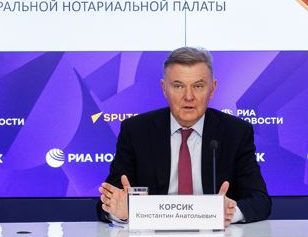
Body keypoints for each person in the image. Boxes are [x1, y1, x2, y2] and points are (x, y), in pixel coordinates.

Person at [97, 47, 271, 225]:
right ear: (164, 89)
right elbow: (109, 201)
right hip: (152, 236)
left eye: (198, 86)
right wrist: (122, 212)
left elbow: (260, 201)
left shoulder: (236, 132)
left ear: (212, 89)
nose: (189, 96)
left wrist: (229, 213)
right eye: (178, 86)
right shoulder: (136, 131)